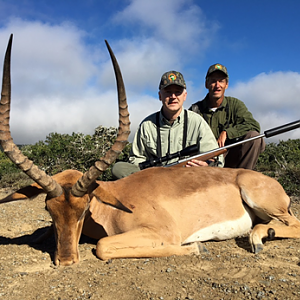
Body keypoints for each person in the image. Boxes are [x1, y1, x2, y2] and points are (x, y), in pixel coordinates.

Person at [112, 70, 224, 179]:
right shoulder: (147, 125)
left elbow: (216, 157)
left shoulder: (197, 122)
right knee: (118, 168)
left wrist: (207, 166)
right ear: (160, 96)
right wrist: (150, 172)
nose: (173, 96)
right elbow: (136, 159)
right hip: (156, 180)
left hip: (188, 179)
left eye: (178, 92)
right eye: (168, 92)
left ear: (185, 96)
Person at [189, 63, 265, 169]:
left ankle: (243, 177)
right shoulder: (194, 110)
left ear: (226, 84)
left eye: (221, 81)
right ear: (206, 84)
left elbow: (253, 125)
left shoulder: (235, 104)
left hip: (230, 156)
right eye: (213, 81)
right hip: (205, 158)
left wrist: (227, 133)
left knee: (254, 137)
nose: (217, 85)